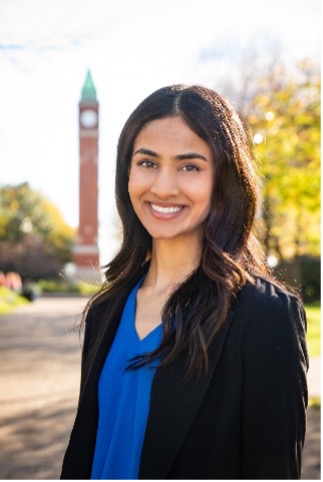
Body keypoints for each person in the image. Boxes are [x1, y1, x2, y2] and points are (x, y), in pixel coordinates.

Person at [60, 84, 308, 480]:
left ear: (224, 180)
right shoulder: (107, 310)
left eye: (189, 166)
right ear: (127, 172)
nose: (163, 186)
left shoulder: (264, 316)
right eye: (147, 163)